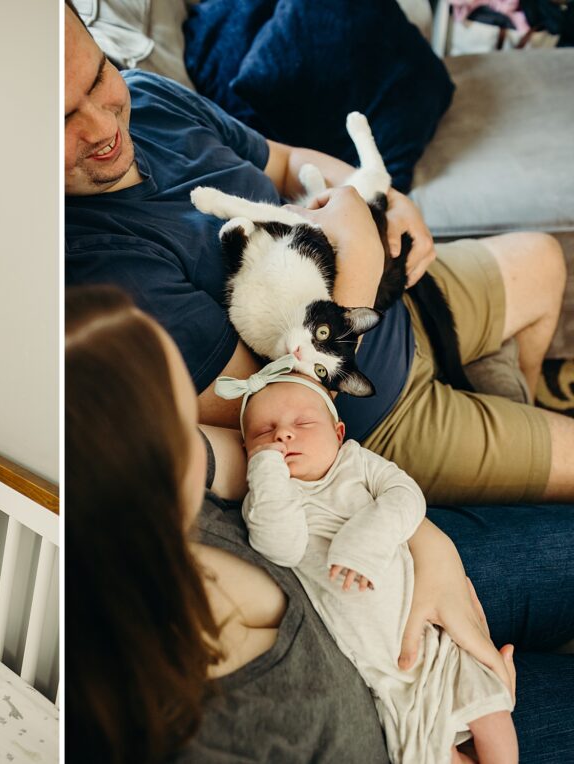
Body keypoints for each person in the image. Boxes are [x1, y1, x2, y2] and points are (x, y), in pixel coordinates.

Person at [63, 1, 574, 504]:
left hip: (403, 301)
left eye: (97, 77)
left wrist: (387, 202)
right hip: (378, 415)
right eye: (63, 118)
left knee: (545, 259)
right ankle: (510, 464)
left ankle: (511, 409)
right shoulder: (94, 268)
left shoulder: (152, 97)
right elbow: (271, 402)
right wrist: (359, 249)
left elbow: (285, 162)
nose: (103, 126)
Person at [66, 283, 574, 763]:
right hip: (408, 731)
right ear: (148, 469)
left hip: (403, 573)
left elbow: (362, 482)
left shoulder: (173, 482)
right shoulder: (199, 732)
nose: (202, 434)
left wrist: (431, 550)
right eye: (182, 420)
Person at [231, 358, 516, 763]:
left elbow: (406, 497)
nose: (283, 435)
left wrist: (364, 540)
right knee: (430, 755)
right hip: (384, 679)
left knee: (492, 711)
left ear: (338, 431)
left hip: (434, 644)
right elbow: (281, 547)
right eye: (264, 432)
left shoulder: (356, 463)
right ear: (246, 452)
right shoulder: (270, 503)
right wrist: (266, 470)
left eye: (303, 423)